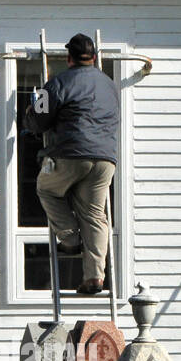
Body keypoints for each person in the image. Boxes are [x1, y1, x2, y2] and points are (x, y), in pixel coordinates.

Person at [26, 33, 119, 295]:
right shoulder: (109, 85)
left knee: (47, 189)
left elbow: (39, 120)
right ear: (94, 57)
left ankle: (69, 239)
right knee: (95, 215)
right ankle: (94, 278)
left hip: (69, 154)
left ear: (69, 58)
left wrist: (29, 116)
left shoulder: (57, 82)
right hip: (104, 160)